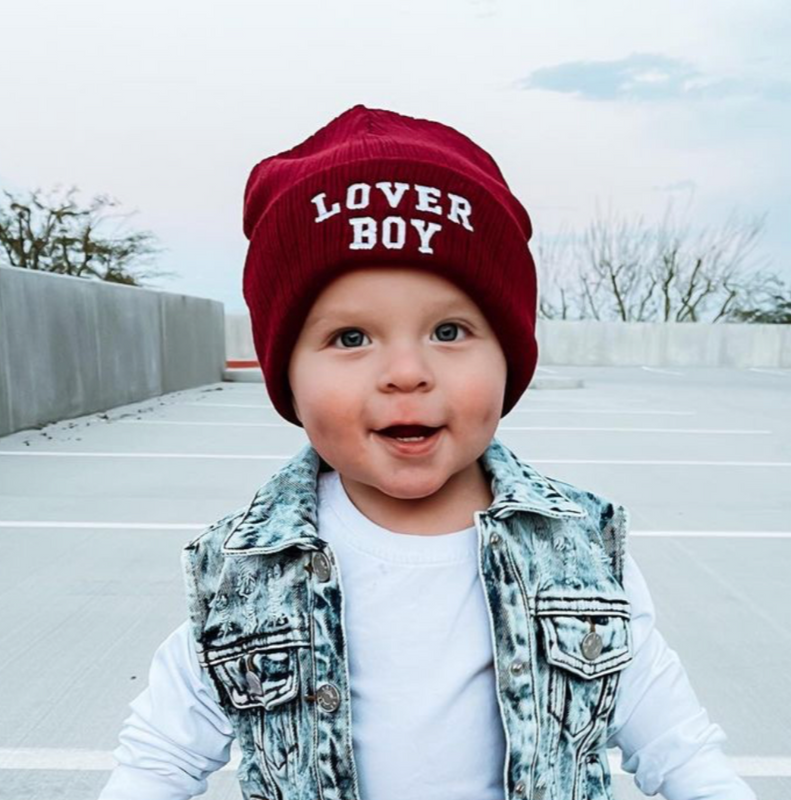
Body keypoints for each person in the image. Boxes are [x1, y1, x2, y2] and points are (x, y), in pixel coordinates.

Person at [98, 104, 756, 800]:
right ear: (285, 371)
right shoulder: (245, 572)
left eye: (449, 330)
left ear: (510, 354)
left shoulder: (579, 556)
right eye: (351, 338)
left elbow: (679, 752)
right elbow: (159, 760)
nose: (406, 372)